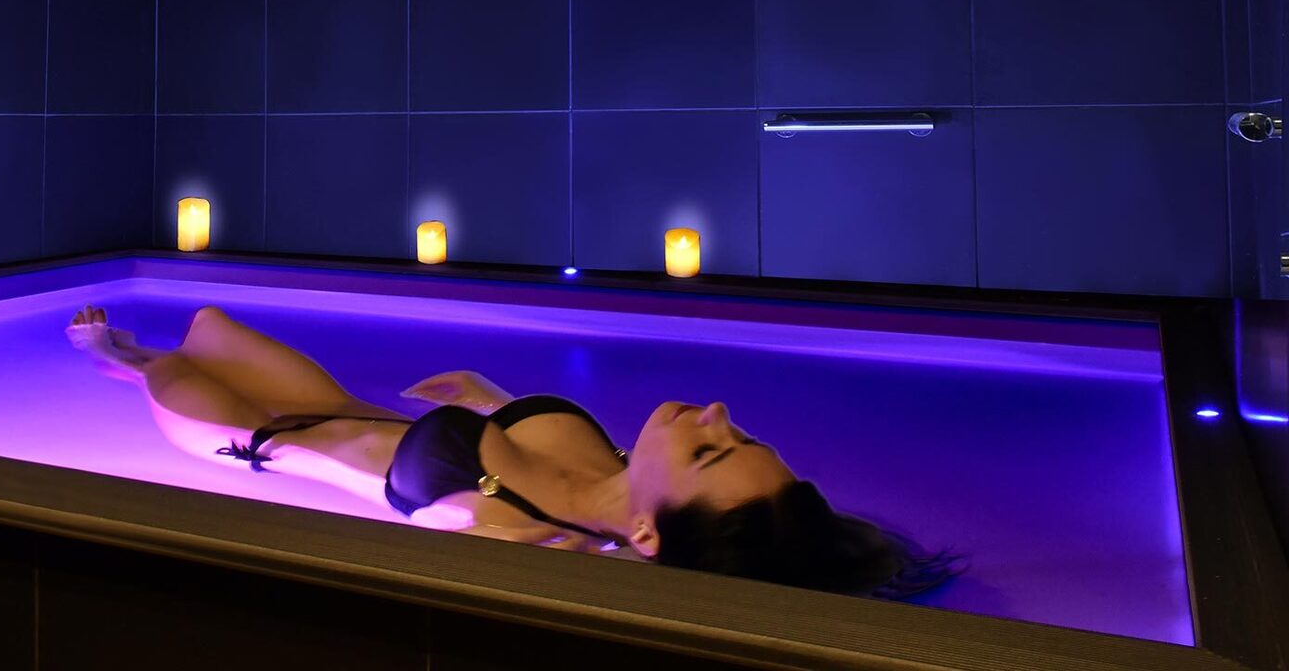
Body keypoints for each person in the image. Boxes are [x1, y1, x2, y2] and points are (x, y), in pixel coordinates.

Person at [66, 303, 960, 598]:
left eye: (710, 452)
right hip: (340, 407)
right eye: (740, 435)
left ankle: (120, 357)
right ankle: (137, 352)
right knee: (208, 323)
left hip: (251, 440)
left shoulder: (526, 536)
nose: (716, 415)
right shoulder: (623, 470)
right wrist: (490, 400)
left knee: (162, 365)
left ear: (647, 536)